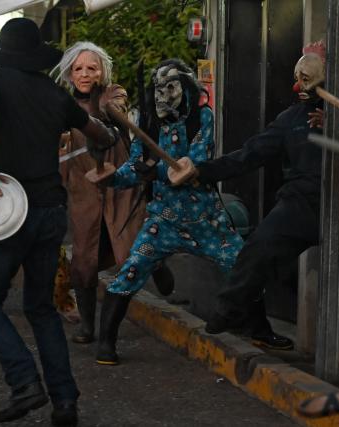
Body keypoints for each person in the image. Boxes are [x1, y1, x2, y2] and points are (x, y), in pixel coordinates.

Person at [0, 18, 118, 426]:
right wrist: (108, 135)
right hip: (51, 211)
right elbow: (100, 135)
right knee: (41, 308)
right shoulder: (56, 95)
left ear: (2, 52)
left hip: (10, 212)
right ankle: (65, 402)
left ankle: (24, 383)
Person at [167, 43, 339, 354]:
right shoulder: (290, 119)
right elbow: (247, 156)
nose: (299, 84)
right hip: (302, 204)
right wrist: (198, 170)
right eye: (298, 77)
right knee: (259, 246)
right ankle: (230, 310)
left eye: (308, 77)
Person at [92, 58, 244, 365]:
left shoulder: (203, 117)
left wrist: (155, 170)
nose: (163, 95)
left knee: (244, 264)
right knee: (129, 272)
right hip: (163, 221)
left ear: (187, 89)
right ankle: (105, 342)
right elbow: (135, 167)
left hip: (207, 220)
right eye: (158, 88)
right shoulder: (144, 121)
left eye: (171, 87)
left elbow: (192, 165)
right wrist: (114, 177)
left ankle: (259, 328)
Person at [50, 41, 174, 344]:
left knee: (131, 242)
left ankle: (156, 263)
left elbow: (113, 112)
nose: (85, 74)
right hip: (84, 188)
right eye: (78, 68)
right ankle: (88, 326)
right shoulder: (61, 104)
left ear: (102, 70)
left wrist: (100, 105)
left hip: (119, 183)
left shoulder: (113, 93)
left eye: (92, 68)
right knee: (84, 259)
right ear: (69, 74)